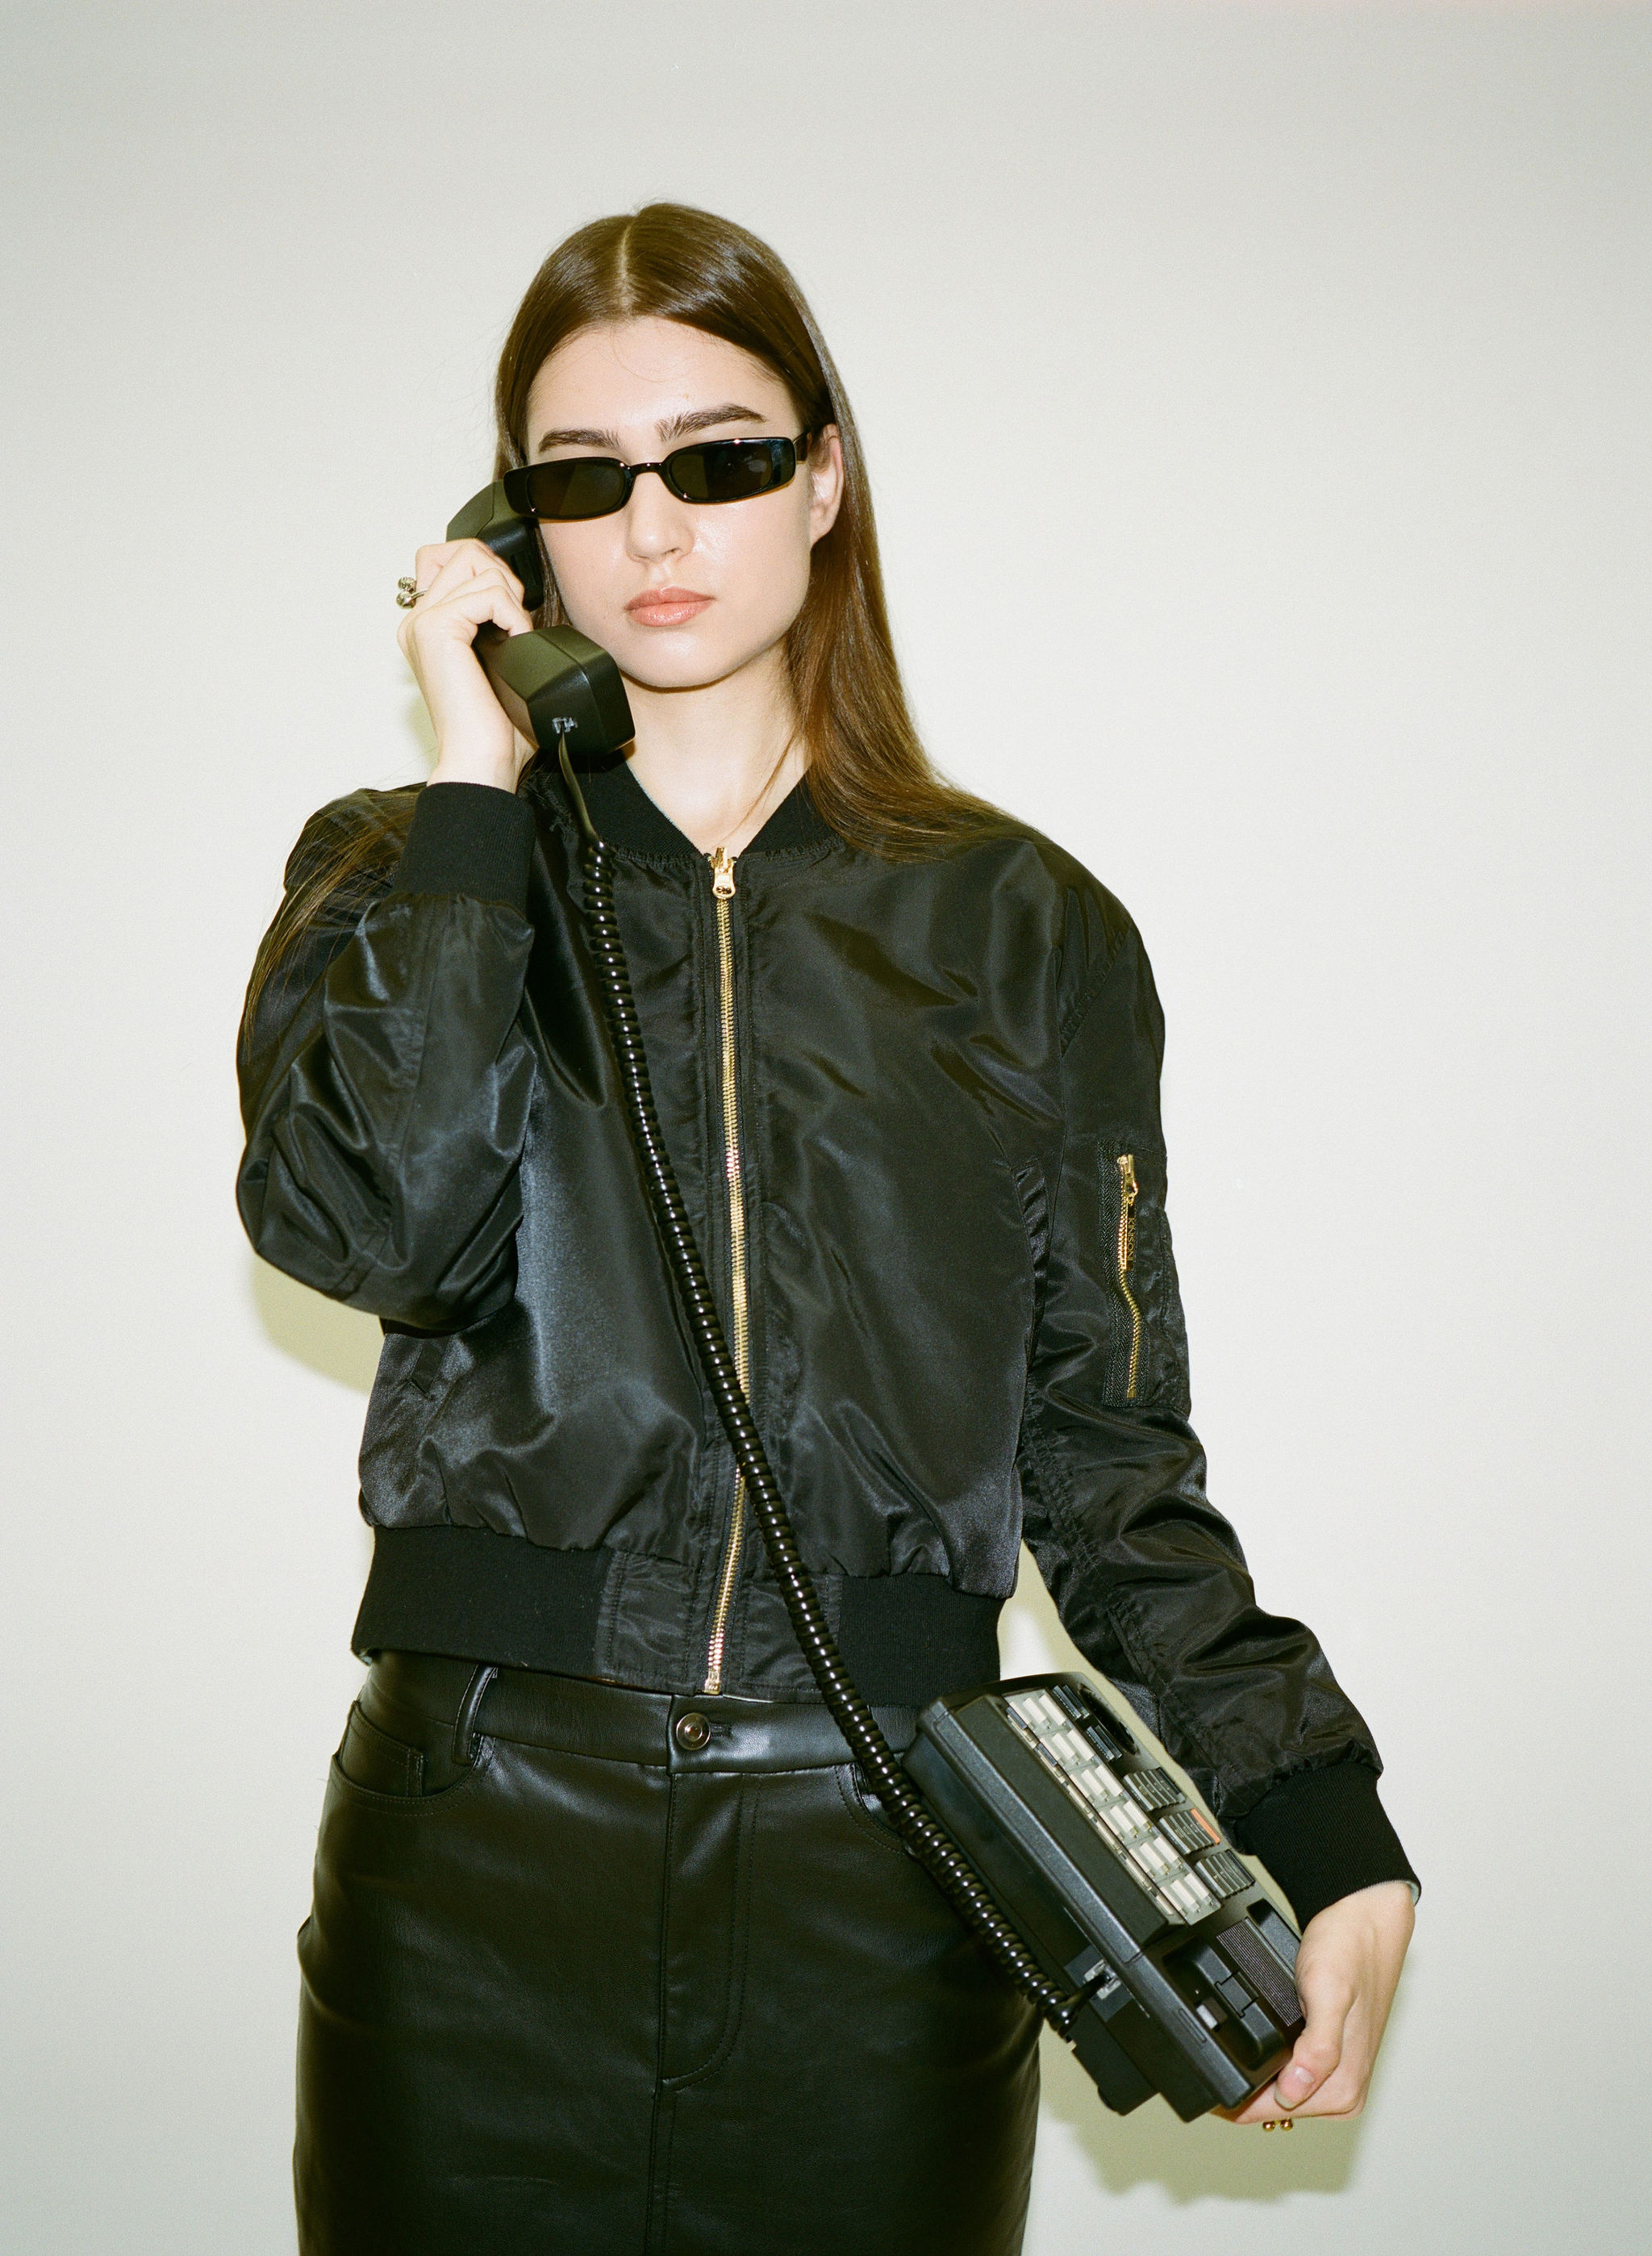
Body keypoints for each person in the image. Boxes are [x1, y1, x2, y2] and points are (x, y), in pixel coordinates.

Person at [237, 203, 1416, 2256]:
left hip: (891, 1859)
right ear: (509, 530)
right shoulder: (407, 868)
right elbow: (378, 1232)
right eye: (581, 480)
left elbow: (1099, 1446)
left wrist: (1315, 1811)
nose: (655, 528)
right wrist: (475, 783)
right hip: (480, 1849)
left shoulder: (1025, 929)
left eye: (718, 456)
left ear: (823, 479)